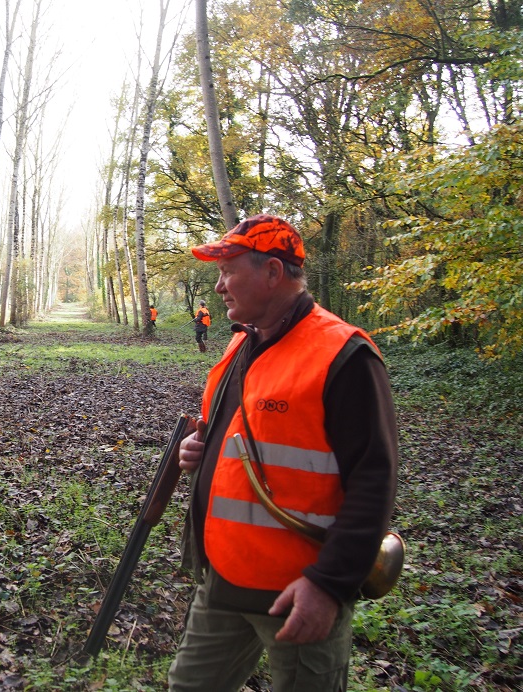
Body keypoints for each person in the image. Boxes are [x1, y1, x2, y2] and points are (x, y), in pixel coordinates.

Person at [168, 214, 398, 692]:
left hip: (299, 593)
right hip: (224, 581)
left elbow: (374, 481)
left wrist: (328, 585)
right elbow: (249, 436)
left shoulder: (343, 355)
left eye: (229, 271)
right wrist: (201, 451)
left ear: (272, 272)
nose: (219, 287)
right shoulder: (241, 346)